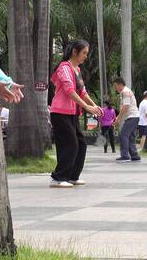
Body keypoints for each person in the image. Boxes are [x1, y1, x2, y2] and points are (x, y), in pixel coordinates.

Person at [50, 39, 103, 188]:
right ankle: (58, 178)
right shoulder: (64, 67)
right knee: (70, 143)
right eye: (84, 53)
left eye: (87, 53)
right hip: (59, 112)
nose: (86, 56)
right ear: (75, 52)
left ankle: (72, 176)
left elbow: (83, 92)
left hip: (72, 113)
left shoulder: (77, 70)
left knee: (81, 143)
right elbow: (69, 91)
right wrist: (86, 106)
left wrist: (94, 105)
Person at [113, 77, 141, 162]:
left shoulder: (125, 92)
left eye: (116, 86)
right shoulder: (125, 92)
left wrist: (118, 117)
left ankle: (125, 155)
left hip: (132, 117)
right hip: (133, 117)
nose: (115, 88)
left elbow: (126, 106)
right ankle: (134, 155)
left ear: (120, 84)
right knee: (131, 137)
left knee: (123, 135)